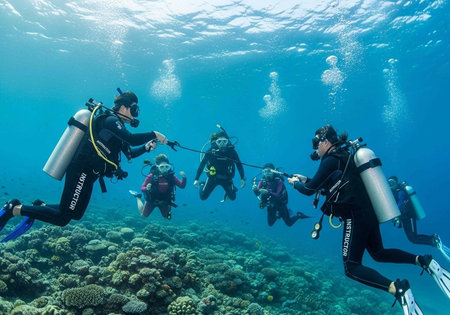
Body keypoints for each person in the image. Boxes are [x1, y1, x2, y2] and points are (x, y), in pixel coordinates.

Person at [287, 125, 450, 314]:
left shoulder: (330, 159)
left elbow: (309, 191)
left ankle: (398, 289)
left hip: (354, 215)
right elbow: (329, 185)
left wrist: (296, 184)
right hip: (369, 213)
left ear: (325, 141)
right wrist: (306, 180)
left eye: (316, 143)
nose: (315, 148)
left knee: (351, 267)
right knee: (378, 252)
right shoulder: (345, 157)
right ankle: (424, 261)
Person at [0, 91, 170, 240]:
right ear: (123, 107)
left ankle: (40, 207)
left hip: (90, 175)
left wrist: (147, 148)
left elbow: (130, 152)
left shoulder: (119, 131)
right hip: (81, 170)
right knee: (62, 217)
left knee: (76, 214)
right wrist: (154, 133)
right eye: (134, 110)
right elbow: (131, 138)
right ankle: (13, 209)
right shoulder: (111, 120)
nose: (134, 115)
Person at [193, 130, 245, 201]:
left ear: (227, 142)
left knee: (233, 198)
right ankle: (203, 184)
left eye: (224, 141)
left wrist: (242, 178)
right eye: (219, 141)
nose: (222, 144)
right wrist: (196, 179)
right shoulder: (211, 151)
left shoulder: (232, 152)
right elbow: (202, 164)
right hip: (213, 177)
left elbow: (238, 164)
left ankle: (231, 189)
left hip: (226, 178)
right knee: (203, 197)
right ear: (216, 142)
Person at [130, 154, 186, 220]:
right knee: (143, 217)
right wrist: (146, 188)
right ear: (157, 166)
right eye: (162, 167)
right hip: (152, 200)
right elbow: (142, 187)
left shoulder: (172, 177)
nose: (165, 169)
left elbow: (182, 186)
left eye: (167, 167)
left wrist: (184, 177)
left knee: (168, 217)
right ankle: (138, 197)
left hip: (164, 201)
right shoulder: (152, 176)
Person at [252, 163, 310, 227]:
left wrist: (267, 192)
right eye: (265, 172)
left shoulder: (278, 181)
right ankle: (278, 215)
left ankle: (299, 215)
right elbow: (258, 193)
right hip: (270, 204)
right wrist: (255, 190)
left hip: (280, 204)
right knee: (270, 223)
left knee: (289, 223)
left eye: (269, 172)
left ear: (274, 172)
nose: (267, 174)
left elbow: (278, 195)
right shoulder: (262, 181)